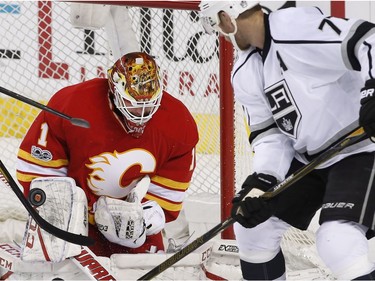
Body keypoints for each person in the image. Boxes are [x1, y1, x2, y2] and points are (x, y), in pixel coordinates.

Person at [199, 1, 375, 280]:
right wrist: (263, 180)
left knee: (337, 241)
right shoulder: (244, 71)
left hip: (363, 147)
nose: (222, 33)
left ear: (227, 15)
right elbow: (270, 136)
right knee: (253, 228)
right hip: (313, 158)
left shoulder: (293, 27)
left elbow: (368, 39)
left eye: (217, 24)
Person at [15, 51, 199, 257]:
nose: (142, 113)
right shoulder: (73, 103)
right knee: (56, 267)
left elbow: (167, 199)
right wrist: (66, 213)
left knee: (146, 268)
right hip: (71, 217)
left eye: (149, 103)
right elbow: (35, 171)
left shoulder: (178, 124)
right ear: (114, 91)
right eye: (133, 104)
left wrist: (142, 219)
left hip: (125, 220)